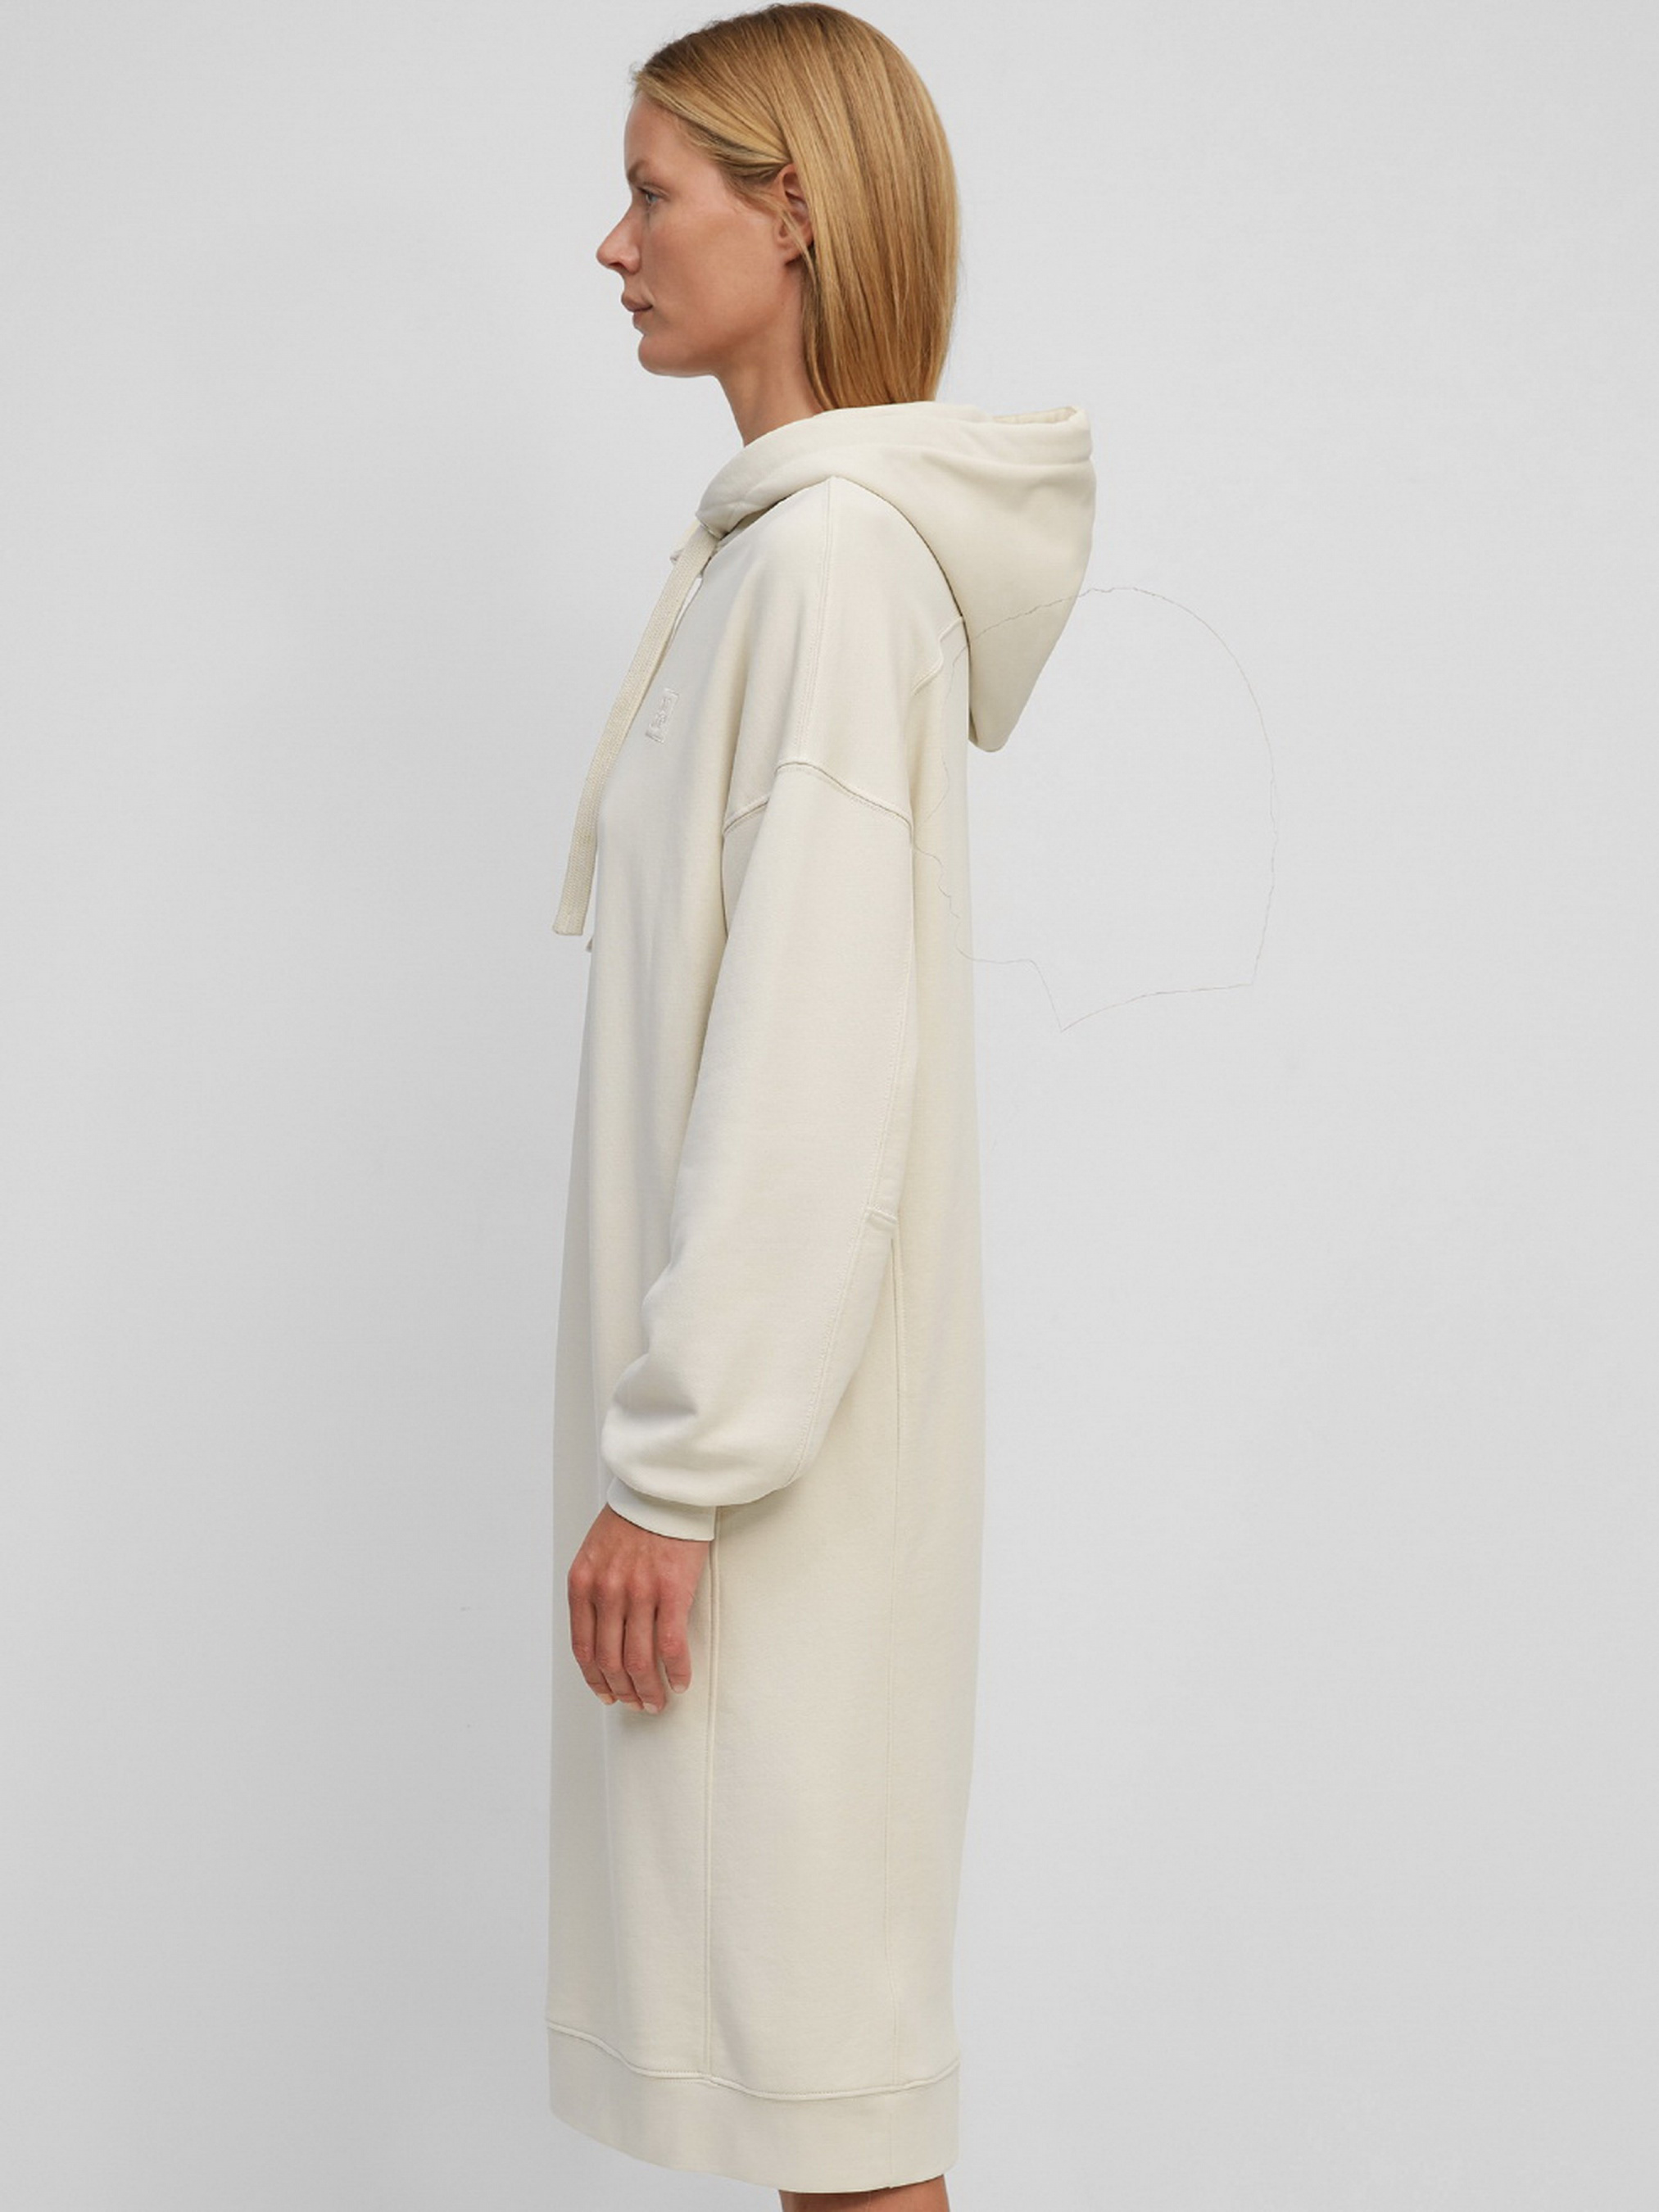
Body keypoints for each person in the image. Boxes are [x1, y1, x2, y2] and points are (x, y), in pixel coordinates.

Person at [545, 8, 1095, 2206]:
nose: (612, 244)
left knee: (835, 2107)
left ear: (790, 216)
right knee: (808, 2099)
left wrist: (676, 1471)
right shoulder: (779, 561)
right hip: (763, 1460)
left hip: (773, 1486)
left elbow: (810, 1062)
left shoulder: (831, 568)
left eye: (652, 191)